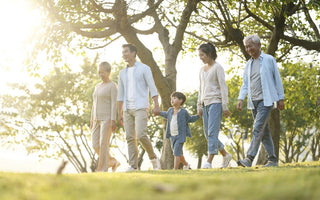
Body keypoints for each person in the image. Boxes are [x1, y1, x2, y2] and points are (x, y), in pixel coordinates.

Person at [237, 35, 285, 168]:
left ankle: (249, 158)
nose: (248, 49)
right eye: (246, 46)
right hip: (253, 102)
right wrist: (241, 98)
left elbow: (277, 79)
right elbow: (245, 84)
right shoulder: (248, 64)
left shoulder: (269, 59)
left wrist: (281, 98)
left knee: (257, 128)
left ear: (258, 45)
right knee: (263, 132)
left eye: (250, 46)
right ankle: (273, 160)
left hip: (266, 100)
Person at [117, 43, 161, 171]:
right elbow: (120, 94)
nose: (124, 54)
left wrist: (156, 104)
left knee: (141, 134)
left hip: (141, 106)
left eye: (126, 51)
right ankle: (133, 166)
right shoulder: (122, 73)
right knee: (130, 137)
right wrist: (119, 113)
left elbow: (152, 87)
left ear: (133, 53)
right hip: (127, 109)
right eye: (123, 52)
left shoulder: (144, 68)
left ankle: (153, 158)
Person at [197, 43, 232, 169]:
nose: (200, 57)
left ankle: (209, 162)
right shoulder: (202, 69)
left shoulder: (218, 67)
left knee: (212, 132)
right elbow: (200, 88)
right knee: (208, 134)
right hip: (205, 103)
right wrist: (199, 105)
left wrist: (224, 105)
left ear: (209, 54)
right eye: (199, 55)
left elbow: (223, 87)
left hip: (216, 102)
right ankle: (225, 154)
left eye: (202, 55)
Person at [155, 92, 199, 170]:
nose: (172, 99)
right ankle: (186, 165)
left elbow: (190, 119)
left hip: (180, 136)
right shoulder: (170, 110)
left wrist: (198, 116)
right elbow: (165, 114)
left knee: (176, 153)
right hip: (172, 136)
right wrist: (158, 113)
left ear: (180, 101)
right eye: (172, 98)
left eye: (174, 98)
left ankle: (175, 170)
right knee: (177, 153)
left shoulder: (183, 112)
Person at [91, 61, 120, 172]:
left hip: (107, 118)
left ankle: (102, 169)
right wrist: (92, 120)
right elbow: (94, 104)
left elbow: (114, 104)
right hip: (96, 119)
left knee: (104, 144)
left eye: (102, 72)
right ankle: (112, 161)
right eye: (99, 72)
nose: (100, 75)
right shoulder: (97, 86)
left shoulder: (113, 86)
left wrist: (113, 120)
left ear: (108, 72)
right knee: (95, 144)